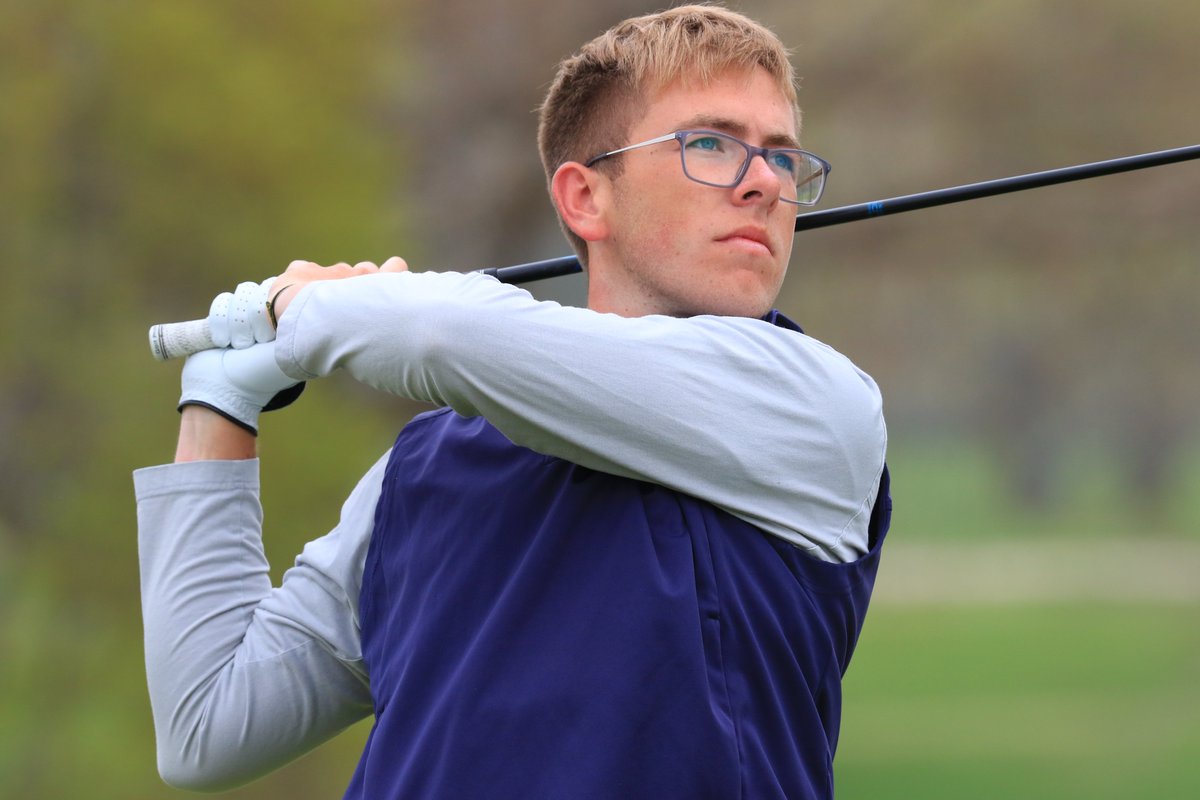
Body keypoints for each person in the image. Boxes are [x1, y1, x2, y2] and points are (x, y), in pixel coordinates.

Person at [134, 5, 890, 799]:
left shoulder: (813, 406)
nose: (765, 182)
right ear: (584, 198)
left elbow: (429, 334)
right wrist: (222, 393)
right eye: (711, 143)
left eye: (781, 156)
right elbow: (205, 729)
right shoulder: (422, 470)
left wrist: (301, 309)